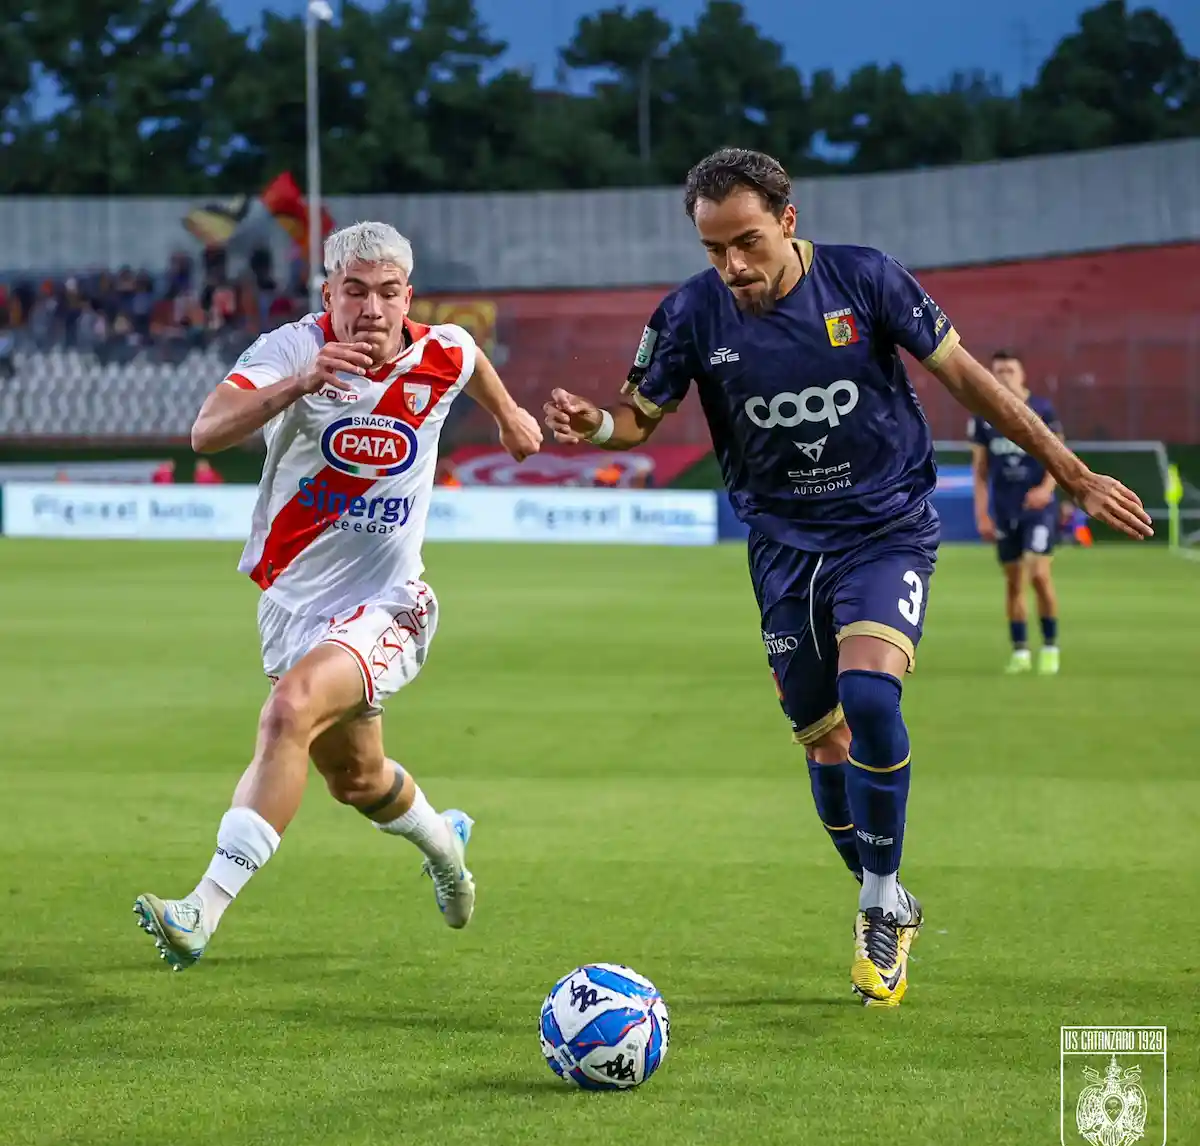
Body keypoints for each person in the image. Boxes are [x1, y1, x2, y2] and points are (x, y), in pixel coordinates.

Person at [544, 148, 1152, 1008]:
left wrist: (1075, 472)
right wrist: (595, 426)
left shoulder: (865, 280)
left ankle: (876, 902)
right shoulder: (688, 314)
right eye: (714, 249)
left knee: (870, 695)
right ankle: (887, 894)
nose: (733, 266)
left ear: (788, 220)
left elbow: (972, 383)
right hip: (782, 548)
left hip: (885, 528)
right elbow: (636, 417)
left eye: (747, 242)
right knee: (823, 743)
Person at [134, 221, 542, 971]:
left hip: (389, 603)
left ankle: (202, 909)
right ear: (329, 294)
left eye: (388, 293)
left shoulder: (442, 351)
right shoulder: (292, 350)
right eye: (354, 291)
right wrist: (299, 384)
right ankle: (447, 848)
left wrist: (510, 415)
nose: (372, 309)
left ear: (408, 297)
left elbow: (471, 358)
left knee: (287, 712)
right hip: (293, 608)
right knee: (356, 779)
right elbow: (206, 432)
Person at [970, 350, 1065, 675]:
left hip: (1037, 509)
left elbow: (1060, 457)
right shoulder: (984, 415)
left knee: (1038, 574)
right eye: (998, 371)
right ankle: (1021, 650)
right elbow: (980, 471)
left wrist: (1046, 489)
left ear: (1022, 374)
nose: (1004, 376)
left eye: (1010, 370)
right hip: (1004, 508)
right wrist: (982, 514)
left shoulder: (1042, 410)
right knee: (1013, 582)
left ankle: (1050, 645)